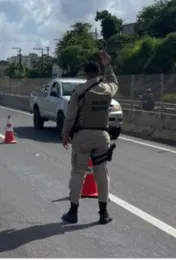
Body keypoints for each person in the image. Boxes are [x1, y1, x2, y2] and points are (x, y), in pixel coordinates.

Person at [61, 50, 118, 225]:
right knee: (102, 174)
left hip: (82, 136)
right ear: (98, 73)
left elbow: (70, 117)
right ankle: (103, 213)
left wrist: (65, 134)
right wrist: (108, 64)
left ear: (85, 74)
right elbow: (115, 83)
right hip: (102, 135)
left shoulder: (79, 91)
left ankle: (73, 212)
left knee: (78, 172)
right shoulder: (107, 89)